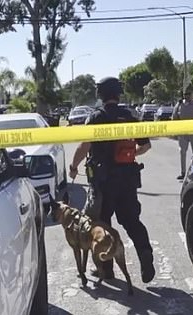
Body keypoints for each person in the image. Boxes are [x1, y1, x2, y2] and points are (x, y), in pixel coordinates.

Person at [68, 76, 156, 283]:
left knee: (102, 224)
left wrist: (73, 167)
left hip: (103, 182)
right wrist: (129, 153)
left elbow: (84, 146)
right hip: (127, 180)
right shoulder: (130, 116)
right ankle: (145, 254)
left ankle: (106, 270)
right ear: (118, 93)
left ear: (101, 94)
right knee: (131, 220)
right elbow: (145, 146)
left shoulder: (96, 117)